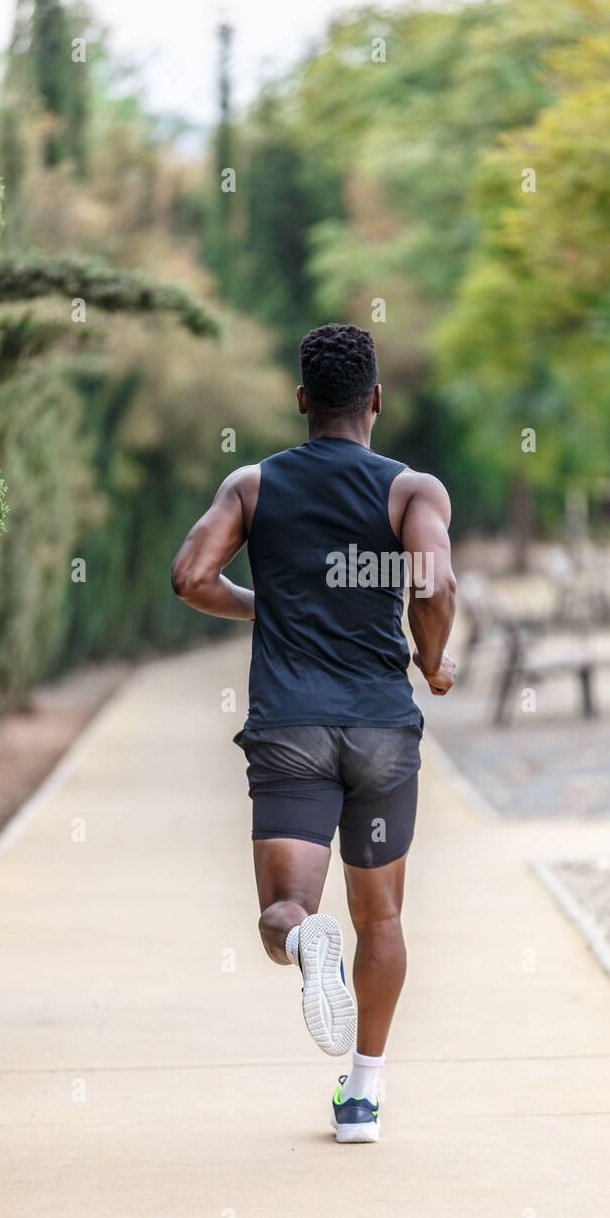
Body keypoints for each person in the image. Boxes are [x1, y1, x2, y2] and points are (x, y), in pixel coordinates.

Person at [171, 322, 456, 1143]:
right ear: (375, 399)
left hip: (290, 729)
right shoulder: (412, 491)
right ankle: (362, 1097)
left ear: (302, 402)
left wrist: (264, 605)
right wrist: (431, 661)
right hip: (379, 733)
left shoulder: (254, 486)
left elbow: (192, 577)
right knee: (383, 918)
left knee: (285, 909)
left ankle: (303, 944)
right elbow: (433, 582)